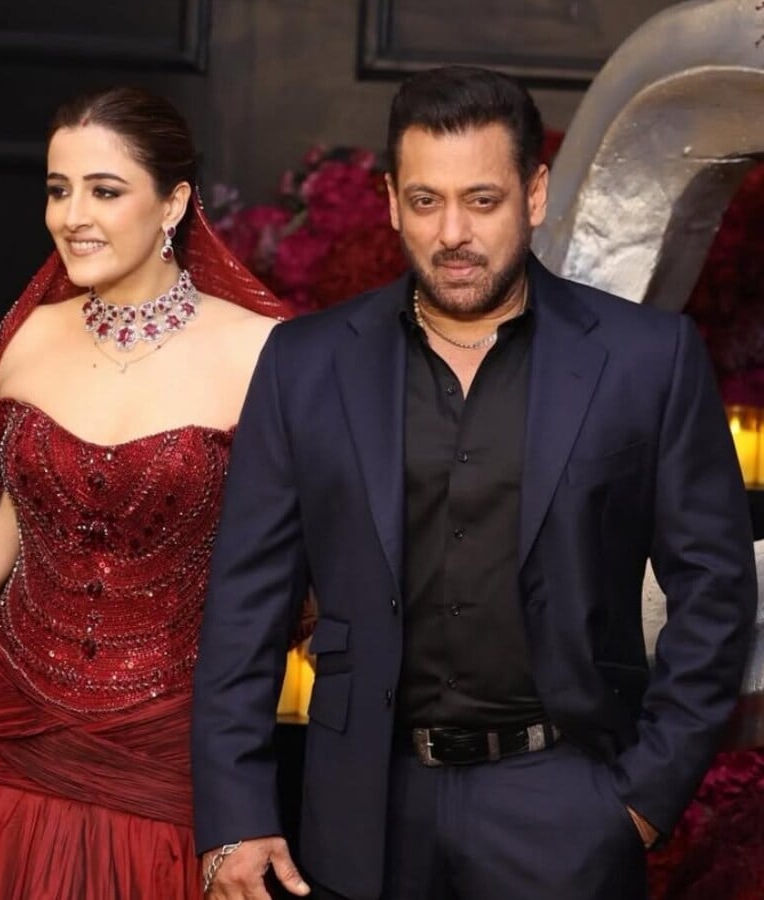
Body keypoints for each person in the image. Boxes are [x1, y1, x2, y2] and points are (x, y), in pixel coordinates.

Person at [191, 65, 757, 900]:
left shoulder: (646, 360)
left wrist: (639, 801)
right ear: (392, 201)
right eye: (426, 201)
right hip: (361, 812)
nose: (452, 232)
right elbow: (245, 603)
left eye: (482, 200)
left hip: (565, 805)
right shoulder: (306, 365)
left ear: (535, 194)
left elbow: (716, 592)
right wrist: (236, 812)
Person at [0, 86, 292, 899]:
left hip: (167, 761)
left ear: (174, 203)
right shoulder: (28, 338)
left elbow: (304, 580)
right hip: (12, 753)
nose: (72, 216)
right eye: (59, 189)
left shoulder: (264, 353)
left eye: (105, 190)